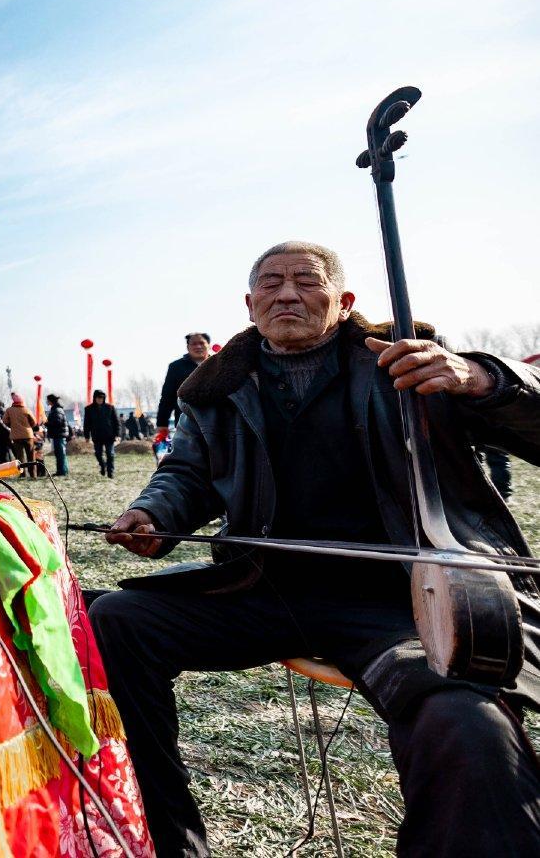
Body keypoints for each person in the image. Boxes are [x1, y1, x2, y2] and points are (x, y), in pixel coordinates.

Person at [90, 241, 540, 857]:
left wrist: (483, 379)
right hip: (262, 589)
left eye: (307, 281)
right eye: (270, 284)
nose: (286, 294)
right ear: (250, 306)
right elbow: (188, 475)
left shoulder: (405, 363)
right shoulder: (215, 390)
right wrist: (152, 513)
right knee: (116, 620)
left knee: (465, 722)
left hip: (405, 603)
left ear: (344, 300)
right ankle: (169, 842)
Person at [154, 331, 210, 441]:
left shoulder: (218, 364)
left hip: (215, 421)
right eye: (194, 344)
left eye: (201, 343)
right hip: (186, 421)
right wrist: (162, 424)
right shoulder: (176, 367)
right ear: (188, 347)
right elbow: (167, 397)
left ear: (209, 345)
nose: (198, 346)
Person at [84, 390, 121, 478]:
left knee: (110, 454)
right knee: (98, 454)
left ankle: (110, 472)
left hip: (109, 435)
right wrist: (86, 436)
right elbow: (86, 424)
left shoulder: (110, 407)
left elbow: (116, 422)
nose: (100, 399)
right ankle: (103, 465)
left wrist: (117, 434)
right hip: (96, 435)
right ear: (95, 398)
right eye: (98, 398)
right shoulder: (89, 409)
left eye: (102, 398)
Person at [2, 393, 36, 468]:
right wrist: (29, 427)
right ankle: (33, 474)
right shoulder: (26, 409)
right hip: (28, 436)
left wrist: (12, 426)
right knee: (31, 456)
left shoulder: (9, 410)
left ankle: (22, 474)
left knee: (19, 457)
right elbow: (34, 422)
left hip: (16, 436)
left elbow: (5, 421)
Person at [43, 393, 70, 475]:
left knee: (60, 454)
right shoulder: (56, 409)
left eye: (47, 400)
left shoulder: (57, 410)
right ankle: (63, 470)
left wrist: (47, 423)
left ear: (51, 401)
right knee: (60, 454)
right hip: (58, 435)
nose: (46, 402)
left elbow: (57, 422)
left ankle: (61, 471)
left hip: (59, 435)